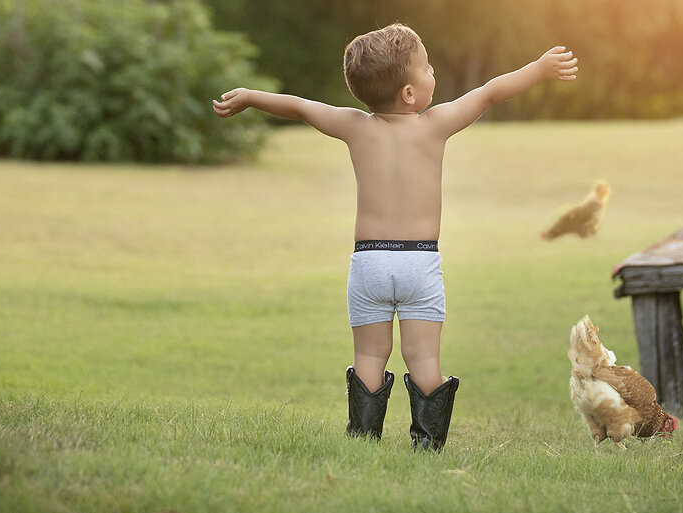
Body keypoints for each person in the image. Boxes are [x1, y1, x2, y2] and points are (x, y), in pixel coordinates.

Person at [212, 23, 578, 450]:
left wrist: (251, 97)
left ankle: (363, 439)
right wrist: (538, 68)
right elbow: (490, 93)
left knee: (369, 355)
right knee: (422, 358)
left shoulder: (355, 126)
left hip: (368, 262)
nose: (433, 71)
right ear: (409, 93)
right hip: (418, 262)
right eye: (426, 68)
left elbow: (299, 107)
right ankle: (426, 445)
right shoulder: (434, 124)